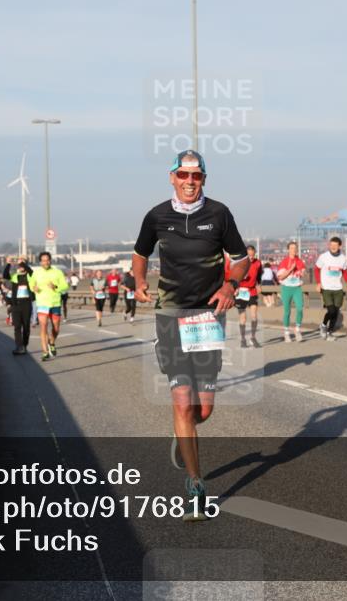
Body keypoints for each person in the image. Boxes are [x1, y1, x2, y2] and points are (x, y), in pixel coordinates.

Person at [132, 149, 248, 521]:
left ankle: (185, 437)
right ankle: (196, 484)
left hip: (207, 315)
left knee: (204, 408)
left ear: (204, 180)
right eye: (182, 175)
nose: (188, 182)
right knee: (182, 402)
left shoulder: (219, 213)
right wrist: (137, 281)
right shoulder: (156, 216)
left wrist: (231, 285)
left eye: (195, 176)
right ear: (172, 177)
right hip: (170, 314)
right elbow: (140, 253)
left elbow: (242, 258)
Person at [29, 251, 68, 361]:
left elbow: (65, 286)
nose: (45, 262)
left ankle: (52, 342)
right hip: (42, 303)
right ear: (40, 262)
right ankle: (45, 352)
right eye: (43, 260)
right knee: (43, 326)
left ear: (50, 260)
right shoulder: (36, 273)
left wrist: (55, 286)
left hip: (55, 303)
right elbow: (31, 283)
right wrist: (33, 288)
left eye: (47, 260)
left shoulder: (57, 272)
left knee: (56, 328)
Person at [314, 236, 347, 341]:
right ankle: (323, 325)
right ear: (329, 245)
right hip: (326, 287)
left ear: (340, 246)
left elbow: (344, 271)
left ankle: (330, 332)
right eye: (331, 245)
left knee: (336, 311)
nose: (333, 247)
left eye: (335, 245)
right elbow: (317, 269)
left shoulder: (343, 258)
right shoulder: (323, 257)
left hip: (338, 288)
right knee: (331, 310)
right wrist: (318, 283)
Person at [276, 241, 306, 342]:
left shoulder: (300, 261)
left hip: (297, 288)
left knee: (300, 308)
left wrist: (302, 272)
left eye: (295, 248)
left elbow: (302, 273)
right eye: (292, 248)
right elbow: (280, 277)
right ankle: (286, 333)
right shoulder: (284, 262)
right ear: (288, 249)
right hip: (286, 288)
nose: (293, 250)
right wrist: (290, 269)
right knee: (287, 311)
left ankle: (297, 330)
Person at [234, 245, 263, 348]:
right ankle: (243, 339)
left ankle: (253, 337)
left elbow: (259, 276)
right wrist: (235, 288)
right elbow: (234, 277)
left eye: (252, 255)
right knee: (243, 317)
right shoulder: (240, 263)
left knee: (254, 315)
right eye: (249, 255)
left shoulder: (258, 263)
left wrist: (258, 285)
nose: (251, 257)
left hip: (252, 291)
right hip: (241, 292)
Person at [4, 260, 34, 354]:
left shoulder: (30, 276)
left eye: (22, 266)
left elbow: (30, 271)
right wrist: (8, 264)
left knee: (26, 327)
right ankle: (19, 347)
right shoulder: (15, 277)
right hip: (16, 304)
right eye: (19, 266)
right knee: (17, 326)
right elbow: (5, 275)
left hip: (27, 303)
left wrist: (22, 263)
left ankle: (24, 345)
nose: (20, 267)